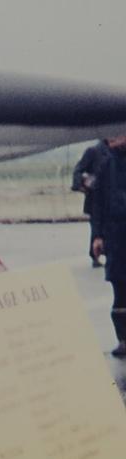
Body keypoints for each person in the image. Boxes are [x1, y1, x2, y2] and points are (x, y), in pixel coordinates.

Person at [84, 134, 126, 355]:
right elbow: (97, 202)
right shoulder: (106, 164)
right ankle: (123, 339)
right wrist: (97, 236)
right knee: (120, 291)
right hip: (116, 238)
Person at [73, 141, 105, 267]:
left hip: (116, 199)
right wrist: (85, 182)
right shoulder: (93, 151)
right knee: (97, 229)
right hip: (96, 200)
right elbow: (78, 171)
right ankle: (95, 255)